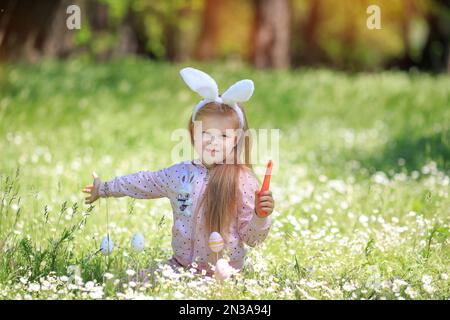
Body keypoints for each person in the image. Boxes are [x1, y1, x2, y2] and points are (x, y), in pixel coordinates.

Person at [82, 67, 275, 278]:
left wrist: (260, 216)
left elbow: (253, 240)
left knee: (217, 283)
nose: (213, 141)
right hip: (180, 266)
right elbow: (143, 181)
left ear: (237, 138)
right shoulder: (180, 175)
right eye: (205, 133)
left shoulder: (242, 181)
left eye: (223, 136)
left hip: (223, 272)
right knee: (128, 282)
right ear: (193, 133)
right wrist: (103, 189)